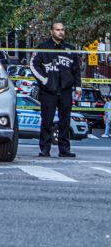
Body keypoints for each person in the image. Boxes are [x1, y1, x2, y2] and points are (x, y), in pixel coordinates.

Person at [30, 21, 82, 158]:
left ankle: (64, 150)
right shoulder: (43, 48)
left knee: (65, 121)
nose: (61, 32)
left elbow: (76, 70)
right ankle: (45, 149)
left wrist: (78, 86)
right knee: (47, 120)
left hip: (65, 90)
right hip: (48, 91)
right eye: (58, 29)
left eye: (62, 29)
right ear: (51, 31)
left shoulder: (70, 49)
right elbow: (33, 65)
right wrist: (44, 81)